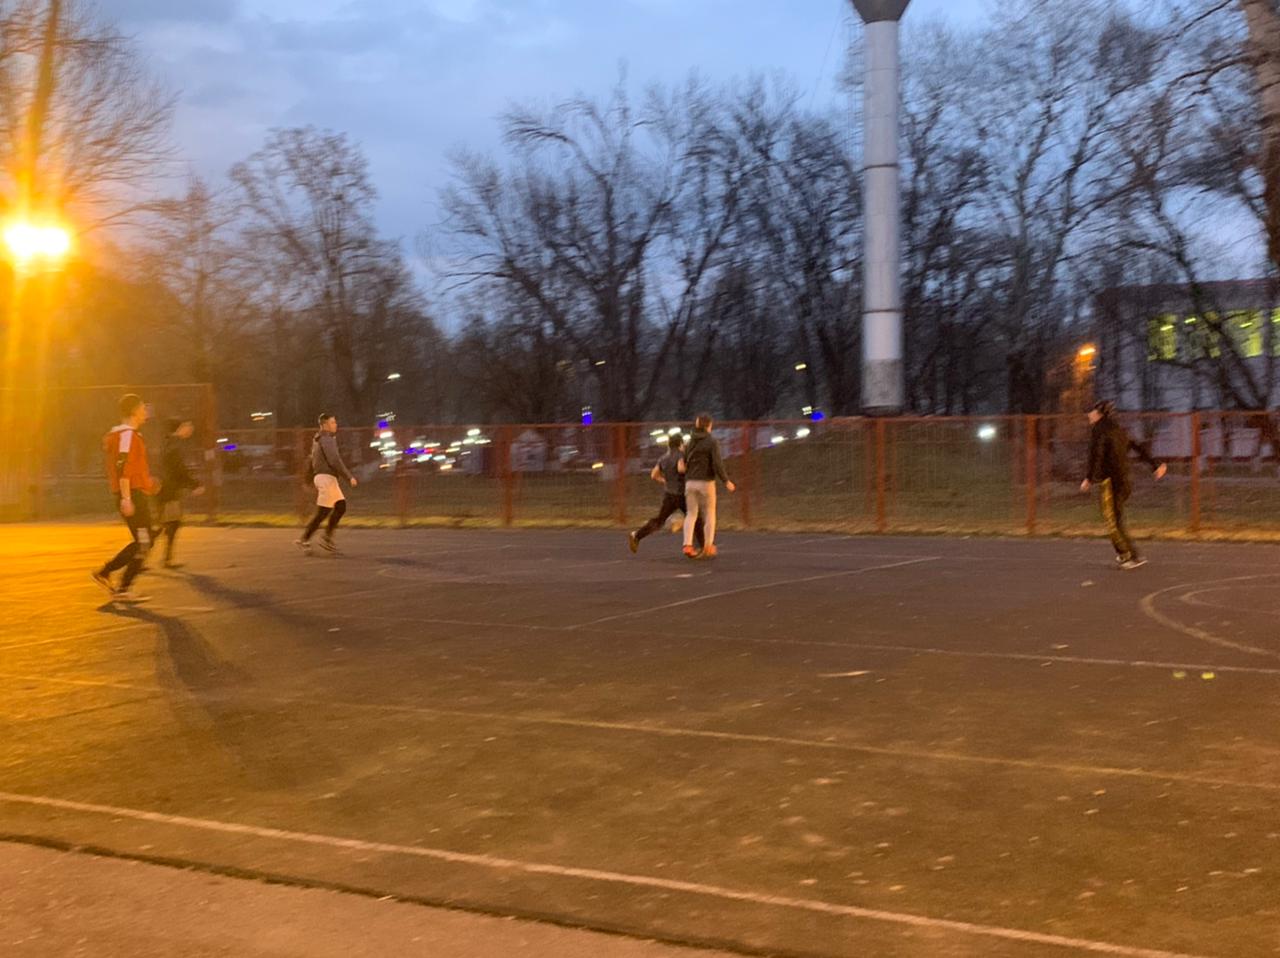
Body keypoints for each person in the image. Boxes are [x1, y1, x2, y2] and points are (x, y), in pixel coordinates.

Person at [1080, 400, 1167, 570]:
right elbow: (1138, 447)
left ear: (1099, 413)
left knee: (1112, 521)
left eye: (1091, 411)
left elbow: (1096, 454)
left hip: (1110, 482)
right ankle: (1129, 554)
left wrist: (1089, 478)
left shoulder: (1099, 430)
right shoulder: (1120, 430)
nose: (1089, 415)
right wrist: (1155, 465)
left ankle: (1129, 555)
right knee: (1117, 519)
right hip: (1125, 480)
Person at [92, 393, 159, 602]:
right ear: (134, 411)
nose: (145, 412)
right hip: (132, 495)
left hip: (135, 493)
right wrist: (126, 498)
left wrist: (148, 484)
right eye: (143, 408)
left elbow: (130, 467)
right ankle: (120, 585)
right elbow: (123, 466)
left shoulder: (125, 435)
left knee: (145, 540)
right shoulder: (127, 435)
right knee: (144, 542)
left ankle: (110, 575)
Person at [628, 434, 704, 555]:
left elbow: (654, 475)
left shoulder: (663, 458)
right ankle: (701, 546)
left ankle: (637, 535)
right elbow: (681, 469)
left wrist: (664, 480)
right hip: (682, 494)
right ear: (680, 444)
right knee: (696, 518)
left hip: (669, 495)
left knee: (659, 521)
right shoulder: (681, 455)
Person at [296, 413, 358, 554]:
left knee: (340, 506)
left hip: (327, 478)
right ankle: (306, 539)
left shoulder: (319, 438)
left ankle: (325, 537)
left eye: (335, 422)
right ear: (324, 425)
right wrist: (349, 477)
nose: (335, 425)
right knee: (323, 512)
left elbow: (313, 459)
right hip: (325, 478)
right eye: (332, 422)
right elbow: (334, 460)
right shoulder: (326, 439)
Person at [678, 413, 736, 559]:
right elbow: (717, 463)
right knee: (709, 513)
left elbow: (684, 462)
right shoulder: (711, 442)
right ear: (709, 425)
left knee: (691, 514)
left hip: (690, 482)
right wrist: (726, 481)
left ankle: (687, 544)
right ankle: (708, 545)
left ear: (697, 425)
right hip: (706, 482)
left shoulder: (689, 442)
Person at [155, 417, 204, 569]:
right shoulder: (173, 446)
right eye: (187, 425)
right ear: (179, 428)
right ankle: (141, 555)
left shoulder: (169, 443)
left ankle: (159, 558)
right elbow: (178, 470)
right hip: (169, 492)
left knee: (168, 524)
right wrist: (194, 485)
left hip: (166, 490)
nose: (190, 428)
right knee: (167, 525)